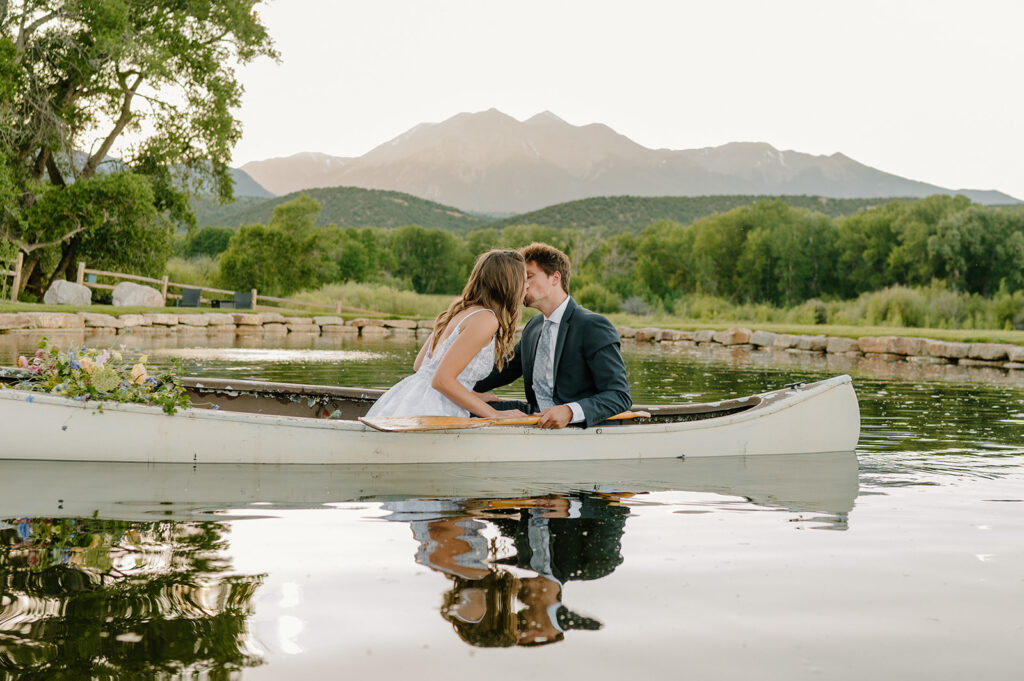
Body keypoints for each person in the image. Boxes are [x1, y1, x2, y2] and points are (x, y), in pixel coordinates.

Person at [474, 242, 631, 428]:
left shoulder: (593, 326)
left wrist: (570, 411)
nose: (521, 285)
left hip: (579, 425)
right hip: (536, 415)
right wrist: (459, 387)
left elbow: (619, 395)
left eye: (529, 277)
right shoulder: (533, 327)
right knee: (464, 406)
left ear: (555, 277)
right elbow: (503, 371)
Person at [365, 249, 529, 419]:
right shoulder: (486, 320)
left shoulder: (459, 310)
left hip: (411, 398)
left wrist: (472, 394)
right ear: (508, 283)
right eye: (524, 280)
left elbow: (420, 365)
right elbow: (441, 380)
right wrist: (495, 414)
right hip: (434, 409)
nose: (527, 286)